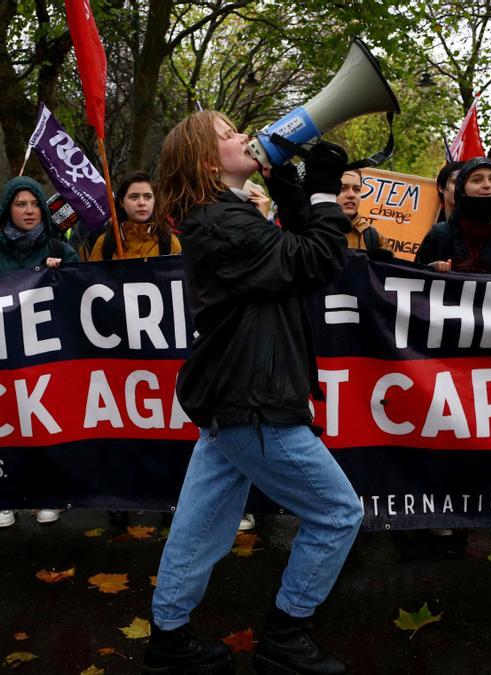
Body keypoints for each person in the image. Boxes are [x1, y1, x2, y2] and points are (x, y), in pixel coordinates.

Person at [142, 110, 362, 675]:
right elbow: (313, 262)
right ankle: (288, 635)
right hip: (253, 400)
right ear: (203, 160)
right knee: (338, 513)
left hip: (235, 395)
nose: (243, 137)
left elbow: (288, 261)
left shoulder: (225, 215)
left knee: (200, 525)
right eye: (226, 134)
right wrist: (318, 197)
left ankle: (169, 638)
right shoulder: (220, 222)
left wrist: (291, 190)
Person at [0, 176, 77, 529]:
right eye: (20, 204)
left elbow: (84, 295)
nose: (28, 211)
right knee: (5, 425)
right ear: (7, 209)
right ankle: (7, 497)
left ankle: (49, 494)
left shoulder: (60, 250)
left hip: (48, 354)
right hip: (2, 356)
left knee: (48, 423)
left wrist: (63, 277)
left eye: (34, 204)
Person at [416, 157, 491, 278]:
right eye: (477, 180)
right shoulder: (439, 234)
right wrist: (429, 269)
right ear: (462, 189)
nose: (487, 185)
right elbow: (412, 280)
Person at [87, 172, 181, 261]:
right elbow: (93, 277)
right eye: (134, 197)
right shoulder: (105, 243)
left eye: (147, 197)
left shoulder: (169, 242)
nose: (142, 203)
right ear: (121, 202)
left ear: (154, 200)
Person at [339, 168, 390, 258]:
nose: (351, 195)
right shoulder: (313, 230)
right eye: (343, 188)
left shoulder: (375, 238)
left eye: (357, 189)